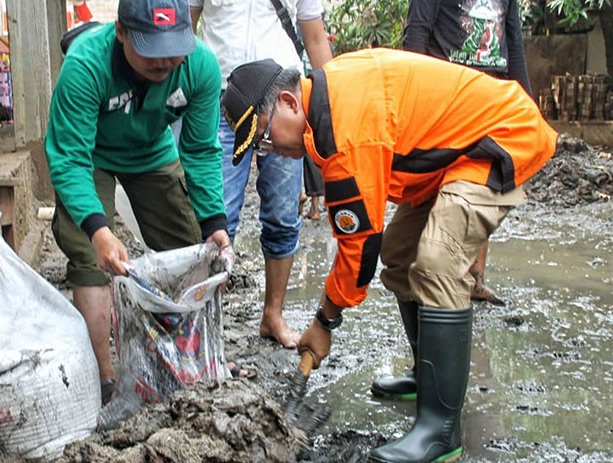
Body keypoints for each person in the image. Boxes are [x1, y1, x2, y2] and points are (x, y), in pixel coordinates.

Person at [220, 50, 556, 462]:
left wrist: (324, 322)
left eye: (266, 139)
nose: (272, 151)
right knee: (401, 253)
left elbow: (359, 250)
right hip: (451, 157)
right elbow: (375, 243)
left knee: (436, 263)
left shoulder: (345, 132)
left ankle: (439, 432)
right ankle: (427, 376)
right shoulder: (327, 102)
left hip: (499, 138)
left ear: (290, 104)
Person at [44, 0, 232, 405]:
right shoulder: (85, 66)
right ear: (122, 33)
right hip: (90, 153)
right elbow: (69, 158)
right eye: (151, 46)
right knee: (87, 252)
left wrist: (214, 220)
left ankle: (193, 361)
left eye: (173, 45)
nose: (164, 60)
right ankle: (105, 376)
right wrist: (99, 231)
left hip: (151, 151)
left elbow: (200, 150)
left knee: (189, 248)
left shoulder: (200, 67)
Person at [189, 0, 332, 348]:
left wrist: (333, 107)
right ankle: (205, 328)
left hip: (283, 100)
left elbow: (314, 37)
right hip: (222, 98)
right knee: (216, 216)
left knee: (284, 215)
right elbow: (184, 28)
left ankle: (273, 315)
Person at [403, 0, 531, 309]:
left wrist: (527, 106)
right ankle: (440, 272)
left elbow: (512, 41)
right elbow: (416, 36)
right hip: (448, 91)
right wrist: (413, 103)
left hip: (493, 93)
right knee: (446, 190)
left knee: (483, 183)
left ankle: (475, 277)